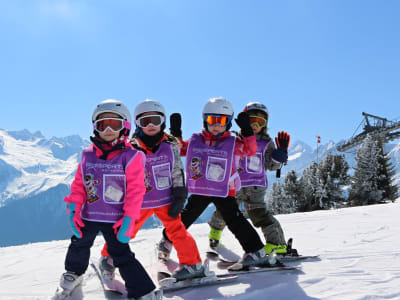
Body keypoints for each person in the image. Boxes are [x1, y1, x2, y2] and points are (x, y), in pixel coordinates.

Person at [158, 97, 289, 269]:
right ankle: (166, 242)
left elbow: (250, 150)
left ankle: (256, 251)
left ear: (228, 123)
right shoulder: (197, 139)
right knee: (186, 216)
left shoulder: (233, 143)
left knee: (235, 220)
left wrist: (247, 131)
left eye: (222, 121)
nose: (217, 125)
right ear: (205, 120)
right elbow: (179, 149)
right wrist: (175, 134)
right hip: (202, 188)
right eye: (213, 120)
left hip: (224, 189)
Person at [58, 99, 161, 300]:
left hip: (115, 218)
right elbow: (79, 184)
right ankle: (73, 275)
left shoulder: (131, 156)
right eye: (101, 125)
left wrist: (130, 217)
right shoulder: (87, 155)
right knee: (79, 244)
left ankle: (144, 292)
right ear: (95, 128)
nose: (107, 129)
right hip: (89, 214)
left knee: (121, 253)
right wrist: (74, 208)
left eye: (114, 124)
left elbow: (135, 190)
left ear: (125, 127)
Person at [100, 99, 205, 281]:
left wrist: (180, 192)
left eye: (155, 121)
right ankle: (108, 257)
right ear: (137, 124)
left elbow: (177, 169)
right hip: (140, 201)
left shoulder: (170, 145)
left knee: (177, 231)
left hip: (166, 199)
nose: (150, 125)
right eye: (144, 121)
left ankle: (192, 264)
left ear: (162, 122)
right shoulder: (131, 146)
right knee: (125, 229)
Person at [208, 101, 291, 255]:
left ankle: (277, 245)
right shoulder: (235, 139)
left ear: (265, 125)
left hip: (255, 186)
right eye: (251, 120)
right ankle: (214, 236)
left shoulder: (266, 143)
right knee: (225, 210)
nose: (255, 124)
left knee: (259, 215)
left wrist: (279, 156)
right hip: (234, 184)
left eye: (260, 122)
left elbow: (271, 166)